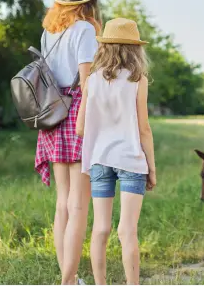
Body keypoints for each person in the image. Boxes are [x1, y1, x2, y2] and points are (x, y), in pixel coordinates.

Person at [34, 0, 103, 285]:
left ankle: (70, 278)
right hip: (76, 114)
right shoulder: (85, 30)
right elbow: (87, 83)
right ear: (89, 1)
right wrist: (89, 124)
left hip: (50, 115)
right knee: (79, 206)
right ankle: (68, 280)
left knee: (63, 202)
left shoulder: (49, 31)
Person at [76, 17, 157, 286]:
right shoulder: (138, 80)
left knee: (100, 228)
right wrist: (151, 168)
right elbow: (144, 129)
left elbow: (80, 128)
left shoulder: (92, 80)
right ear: (135, 49)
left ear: (105, 47)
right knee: (127, 230)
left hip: (100, 160)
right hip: (131, 159)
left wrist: (103, 130)